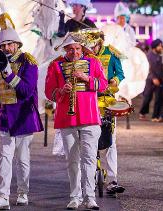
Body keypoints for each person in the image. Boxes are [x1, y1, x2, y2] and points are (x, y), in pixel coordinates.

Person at [0, 13, 44, 210]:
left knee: (22, 159)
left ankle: (22, 192)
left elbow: (27, 90)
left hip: (23, 116)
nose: (5, 49)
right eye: (2, 46)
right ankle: (3, 196)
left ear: (17, 44)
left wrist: (10, 75)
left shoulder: (29, 62)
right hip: (5, 117)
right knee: (4, 157)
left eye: (8, 45)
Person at [45, 33, 108, 210]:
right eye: (71, 49)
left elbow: (103, 85)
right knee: (72, 161)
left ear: (82, 49)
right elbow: (49, 92)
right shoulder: (55, 66)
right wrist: (61, 90)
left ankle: (90, 197)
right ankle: (75, 197)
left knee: (89, 159)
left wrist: (87, 78)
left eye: (78, 48)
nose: (74, 52)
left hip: (90, 118)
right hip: (66, 118)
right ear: (65, 49)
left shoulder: (94, 63)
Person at [86, 29, 126, 195]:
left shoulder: (111, 52)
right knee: (88, 140)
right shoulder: (85, 55)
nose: (92, 49)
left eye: (94, 45)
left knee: (111, 141)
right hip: (89, 102)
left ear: (100, 42)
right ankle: (89, 177)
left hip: (107, 101)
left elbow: (121, 74)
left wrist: (114, 80)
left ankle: (112, 180)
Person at [139, 39, 163, 122]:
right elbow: (148, 68)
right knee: (147, 97)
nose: (161, 47)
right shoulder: (149, 55)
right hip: (150, 80)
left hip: (159, 80)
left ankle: (155, 116)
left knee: (158, 98)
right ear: (155, 46)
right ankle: (142, 113)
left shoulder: (160, 56)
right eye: (159, 45)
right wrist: (153, 78)